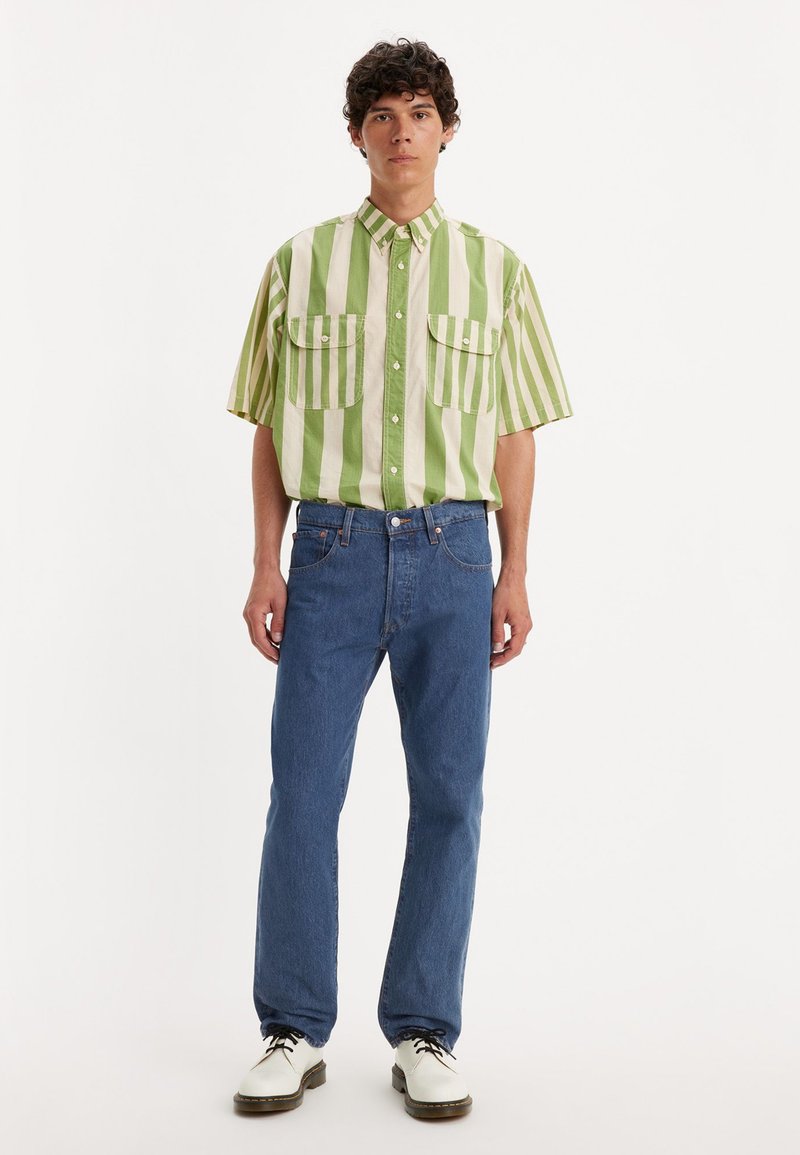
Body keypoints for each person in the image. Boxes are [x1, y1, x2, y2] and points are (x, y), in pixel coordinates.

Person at [226, 37, 573, 1120]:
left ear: (447, 130)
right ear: (356, 135)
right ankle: (291, 1028)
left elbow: (514, 432)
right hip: (328, 553)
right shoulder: (298, 263)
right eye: (381, 114)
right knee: (302, 793)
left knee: (449, 797)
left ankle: (424, 1030)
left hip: (455, 552)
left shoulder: (496, 271)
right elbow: (270, 427)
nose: (401, 131)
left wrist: (515, 569)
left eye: (420, 112)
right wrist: (264, 561)